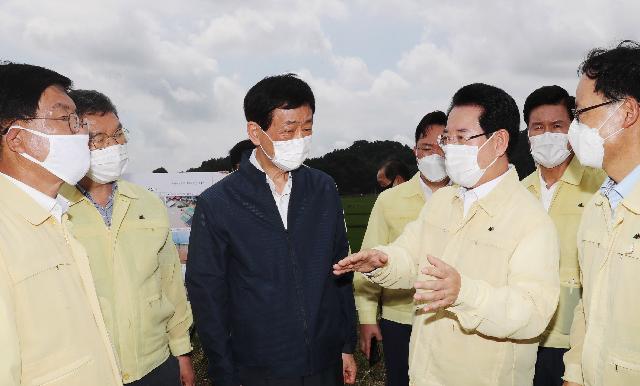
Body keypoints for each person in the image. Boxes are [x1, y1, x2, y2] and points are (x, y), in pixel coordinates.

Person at [334, 83, 560, 386]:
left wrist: (464, 293)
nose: (449, 148)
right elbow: (411, 257)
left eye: (462, 138)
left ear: (499, 141)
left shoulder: (531, 219)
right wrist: (383, 261)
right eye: (447, 138)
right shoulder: (442, 202)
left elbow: (533, 312)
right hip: (426, 374)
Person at [186, 73, 357, 386]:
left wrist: (346, 343)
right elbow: (207, 295)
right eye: (288, 130)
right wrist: (224, 372)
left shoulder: (322, 189)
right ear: (255, 131)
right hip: (258, 367)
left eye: (307, 129)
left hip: (323, 358)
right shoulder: (219, 203)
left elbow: (340, 268)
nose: (299, 140)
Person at [60, 89, 195, 386]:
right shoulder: (56, 209)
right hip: (87, 371)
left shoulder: (149, 204)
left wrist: (182, 352)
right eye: (98, 139)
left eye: (118, 134)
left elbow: (170, 283)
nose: (113, 146)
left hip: (154, 364)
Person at [0, 63, 122, 385]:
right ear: (18, 139)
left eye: (78, 120)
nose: (82, 132)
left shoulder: (56, 215)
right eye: (66, 118)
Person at [563, 40, 640, 386]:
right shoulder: (597, 206)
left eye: (581, 113)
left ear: (626, 112)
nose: (572, 130)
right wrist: (574, 374)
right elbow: (588, 307)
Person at [354, 110, 449, 386]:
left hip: (451, 316)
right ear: (415, 151)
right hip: (400, 317)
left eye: (443, 147)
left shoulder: (465, 197)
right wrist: (368, 318)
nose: (435, 155)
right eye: (427, 147)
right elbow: (368, 261)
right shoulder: (389, 200)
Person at [520, 85, 606, 386]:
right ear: (527, 133)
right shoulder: (517, 192)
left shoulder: (601, 186)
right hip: (521, 336)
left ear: (574, 130)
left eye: (557, 126)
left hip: (577, 339)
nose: (547, 135)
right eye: (537, 127)